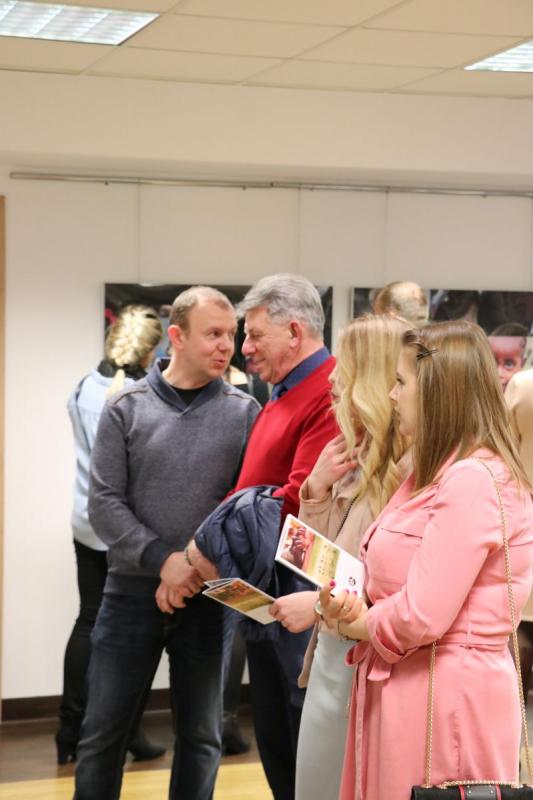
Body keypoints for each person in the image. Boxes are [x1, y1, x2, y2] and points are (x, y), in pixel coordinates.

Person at [319, 320, 533, 800]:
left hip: (446, 700)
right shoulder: (436, 472)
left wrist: (359, 622)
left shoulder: (472, 480)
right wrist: (352, 606)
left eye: (401, 382)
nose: (392, 395)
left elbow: (422, 614)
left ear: (436, 390)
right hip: (418, 688)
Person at [73, 286, 260, 800]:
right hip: (131, 593)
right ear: (176, 336)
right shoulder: (124, 407)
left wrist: (193, 567)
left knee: (202, 737)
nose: (227, 346)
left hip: (209, 599)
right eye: (214, 334)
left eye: (232, 335)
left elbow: (245, 509)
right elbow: (104, 505)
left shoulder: (244, 412)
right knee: (102, 736)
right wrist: (164, 562)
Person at [268, 314, 411, 800]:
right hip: (333, 649)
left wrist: (318, 605)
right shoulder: (352, 452)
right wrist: (316, 489)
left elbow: (390, 582)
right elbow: (315, 557)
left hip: (364, 654)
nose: (331, 380)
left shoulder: (412, 470)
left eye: (344, 367)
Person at [216, 273, 338, 800]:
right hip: (268, 592)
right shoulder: (282, 393)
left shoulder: (328, 392)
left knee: (298, 735)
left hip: (300, 592)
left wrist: (213, 540)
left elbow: (294, 504)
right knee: (273, 734)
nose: (244, 348)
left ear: (294, 332)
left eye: (253, 335)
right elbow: (257, 494)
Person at [57, 305, 165, 765]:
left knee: (88, 622)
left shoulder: (83, 386)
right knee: (133, 634)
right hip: (126, 531)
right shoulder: (139, 397)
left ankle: (69, 732)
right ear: (151, 350)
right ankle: (126, 732)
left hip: (86, 523)